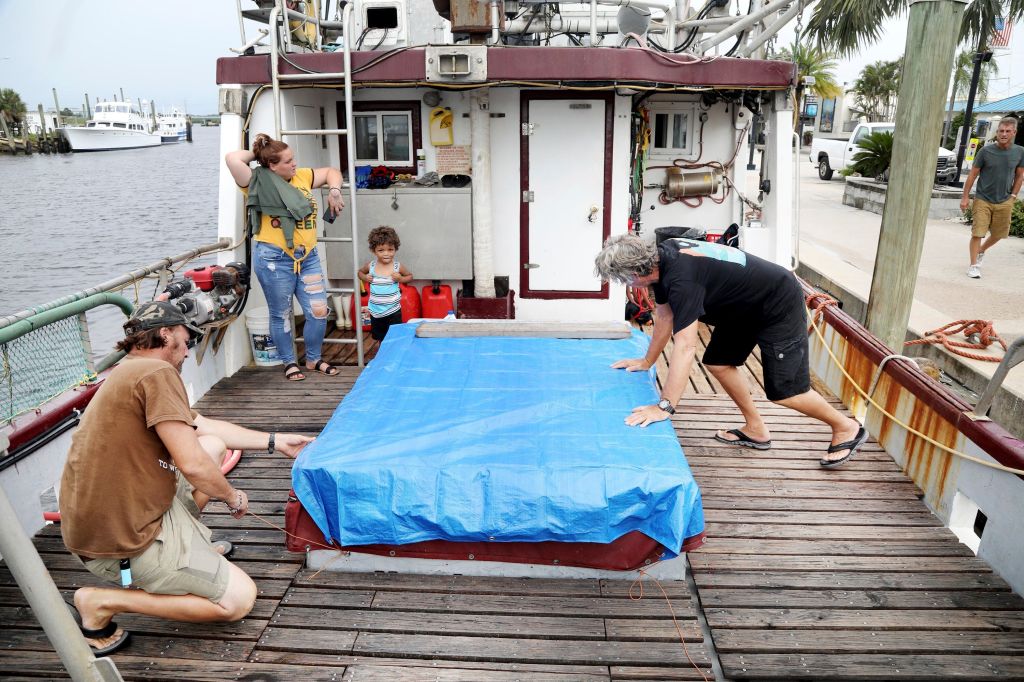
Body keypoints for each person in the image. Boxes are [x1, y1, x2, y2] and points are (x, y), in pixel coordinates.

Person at [59, 301, 314, 656]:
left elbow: (203, 428)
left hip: (106, 521)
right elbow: (192, 466)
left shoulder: (132, 370)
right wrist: (231, 496)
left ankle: (192, 551)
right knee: (238, 599)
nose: (188, 349)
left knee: (213, 445)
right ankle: (99, 602)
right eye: (185, 338)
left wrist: (276, 441)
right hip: (123, 544)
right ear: (165, 334)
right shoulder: (158, 374)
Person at [594, 234, 867, 467]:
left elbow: (686, 345)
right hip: (743, 307)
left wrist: (665, 407)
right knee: (718, 362)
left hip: (776, 302)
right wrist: (647, 360)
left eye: (624, 280)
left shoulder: (682, 280)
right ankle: (756, 429)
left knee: (787, 391)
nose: (626, 285)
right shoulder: (662, 258)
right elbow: (665, 317)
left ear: (635, 273)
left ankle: (845, 427)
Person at [225, 133, 345, 381]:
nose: (294, 164)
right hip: (274, 260)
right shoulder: (255, 180)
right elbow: (232, 158)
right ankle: (290, 362)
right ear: (272, 165)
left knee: (319, 311)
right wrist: (259, 152)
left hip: (307, 257)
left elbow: (332, 171)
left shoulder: (302, 176)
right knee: (281, 313)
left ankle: (313, 359)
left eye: (293, 158)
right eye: (288, 161)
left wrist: (334, 190)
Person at [960, 116, 1024, 279]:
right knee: (977, 233)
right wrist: (965, 197)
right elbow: (972, 175)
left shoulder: (1020, 151)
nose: (1003, 134)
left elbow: (1020, 175)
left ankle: (981, 251)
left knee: (999, 234)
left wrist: (1013, 196)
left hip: (1005, 200)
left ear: (1014, 132)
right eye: (1001, 131)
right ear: (997, 132)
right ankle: (973, 265)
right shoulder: (985, 151)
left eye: (1007, 131)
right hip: (983, 198)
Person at [357, 225, 413, 341]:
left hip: (393, 311)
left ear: (395, 249)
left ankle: (393, 357)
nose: (386, 253)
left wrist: (400, 279)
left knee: (394, 339)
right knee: (380, 339)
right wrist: (365, 277)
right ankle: (382, 357)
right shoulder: (371, 266)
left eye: (390, 249)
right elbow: (360, 273)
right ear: (374, 250)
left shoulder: (397, 266)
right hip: (375, 313)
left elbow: (410, 276)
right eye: (381, 250)